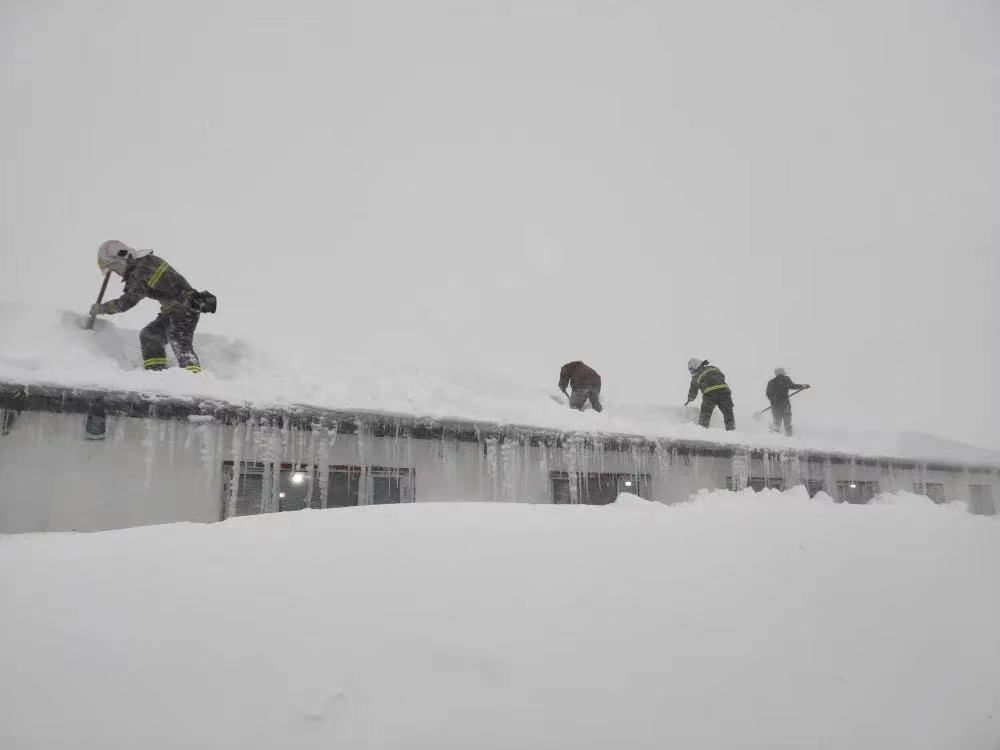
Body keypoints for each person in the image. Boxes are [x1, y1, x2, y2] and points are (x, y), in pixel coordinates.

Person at [90, 240, 216, 373]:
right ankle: (156, 373)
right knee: (150, 335)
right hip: (174, 311)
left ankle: (193, 376)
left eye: (115, 267)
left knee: (178, 340)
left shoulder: (142, 270)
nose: (116, 272)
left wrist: (101, 308)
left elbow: (126, 302)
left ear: (123, 258)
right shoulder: (143, 264)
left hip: (184, 309)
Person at [685, 357, 735, 430]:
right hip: (724, 392)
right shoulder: (713, 367)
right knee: (728, 415)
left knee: (704, 417)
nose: (691, 371)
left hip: (710, 395)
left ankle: (702, 432)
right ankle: (732, 432)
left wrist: (690, 398)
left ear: (695, 365)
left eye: (691, 369)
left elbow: (693, 390)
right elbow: (722, 376)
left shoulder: (696, 375)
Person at [765, 367, 810, 436]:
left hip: (775, 406)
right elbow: (792, 386)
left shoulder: (771, 382)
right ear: (783, 372)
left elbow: (768, 393)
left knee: (777, 424)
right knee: (787, 424)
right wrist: (802, 386)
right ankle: (789, 439)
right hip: (785, 405)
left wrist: (774, 401)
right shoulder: (785, 379)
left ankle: (775, 440)